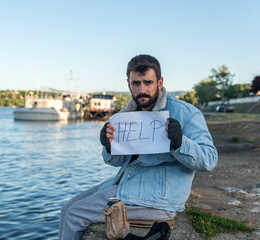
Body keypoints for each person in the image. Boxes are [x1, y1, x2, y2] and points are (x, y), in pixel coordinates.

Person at [58, 54, 218, 240]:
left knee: (73, 215)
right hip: (127, 184)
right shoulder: (127, 114)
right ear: (128, 84)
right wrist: (109, 146)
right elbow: (116, 162)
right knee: (66, 208)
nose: (142, 90)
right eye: (136, 83)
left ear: (160, 82)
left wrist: (180, 142)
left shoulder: (187, 113)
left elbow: (209, 160)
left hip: (158, 199)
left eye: (148, 82)